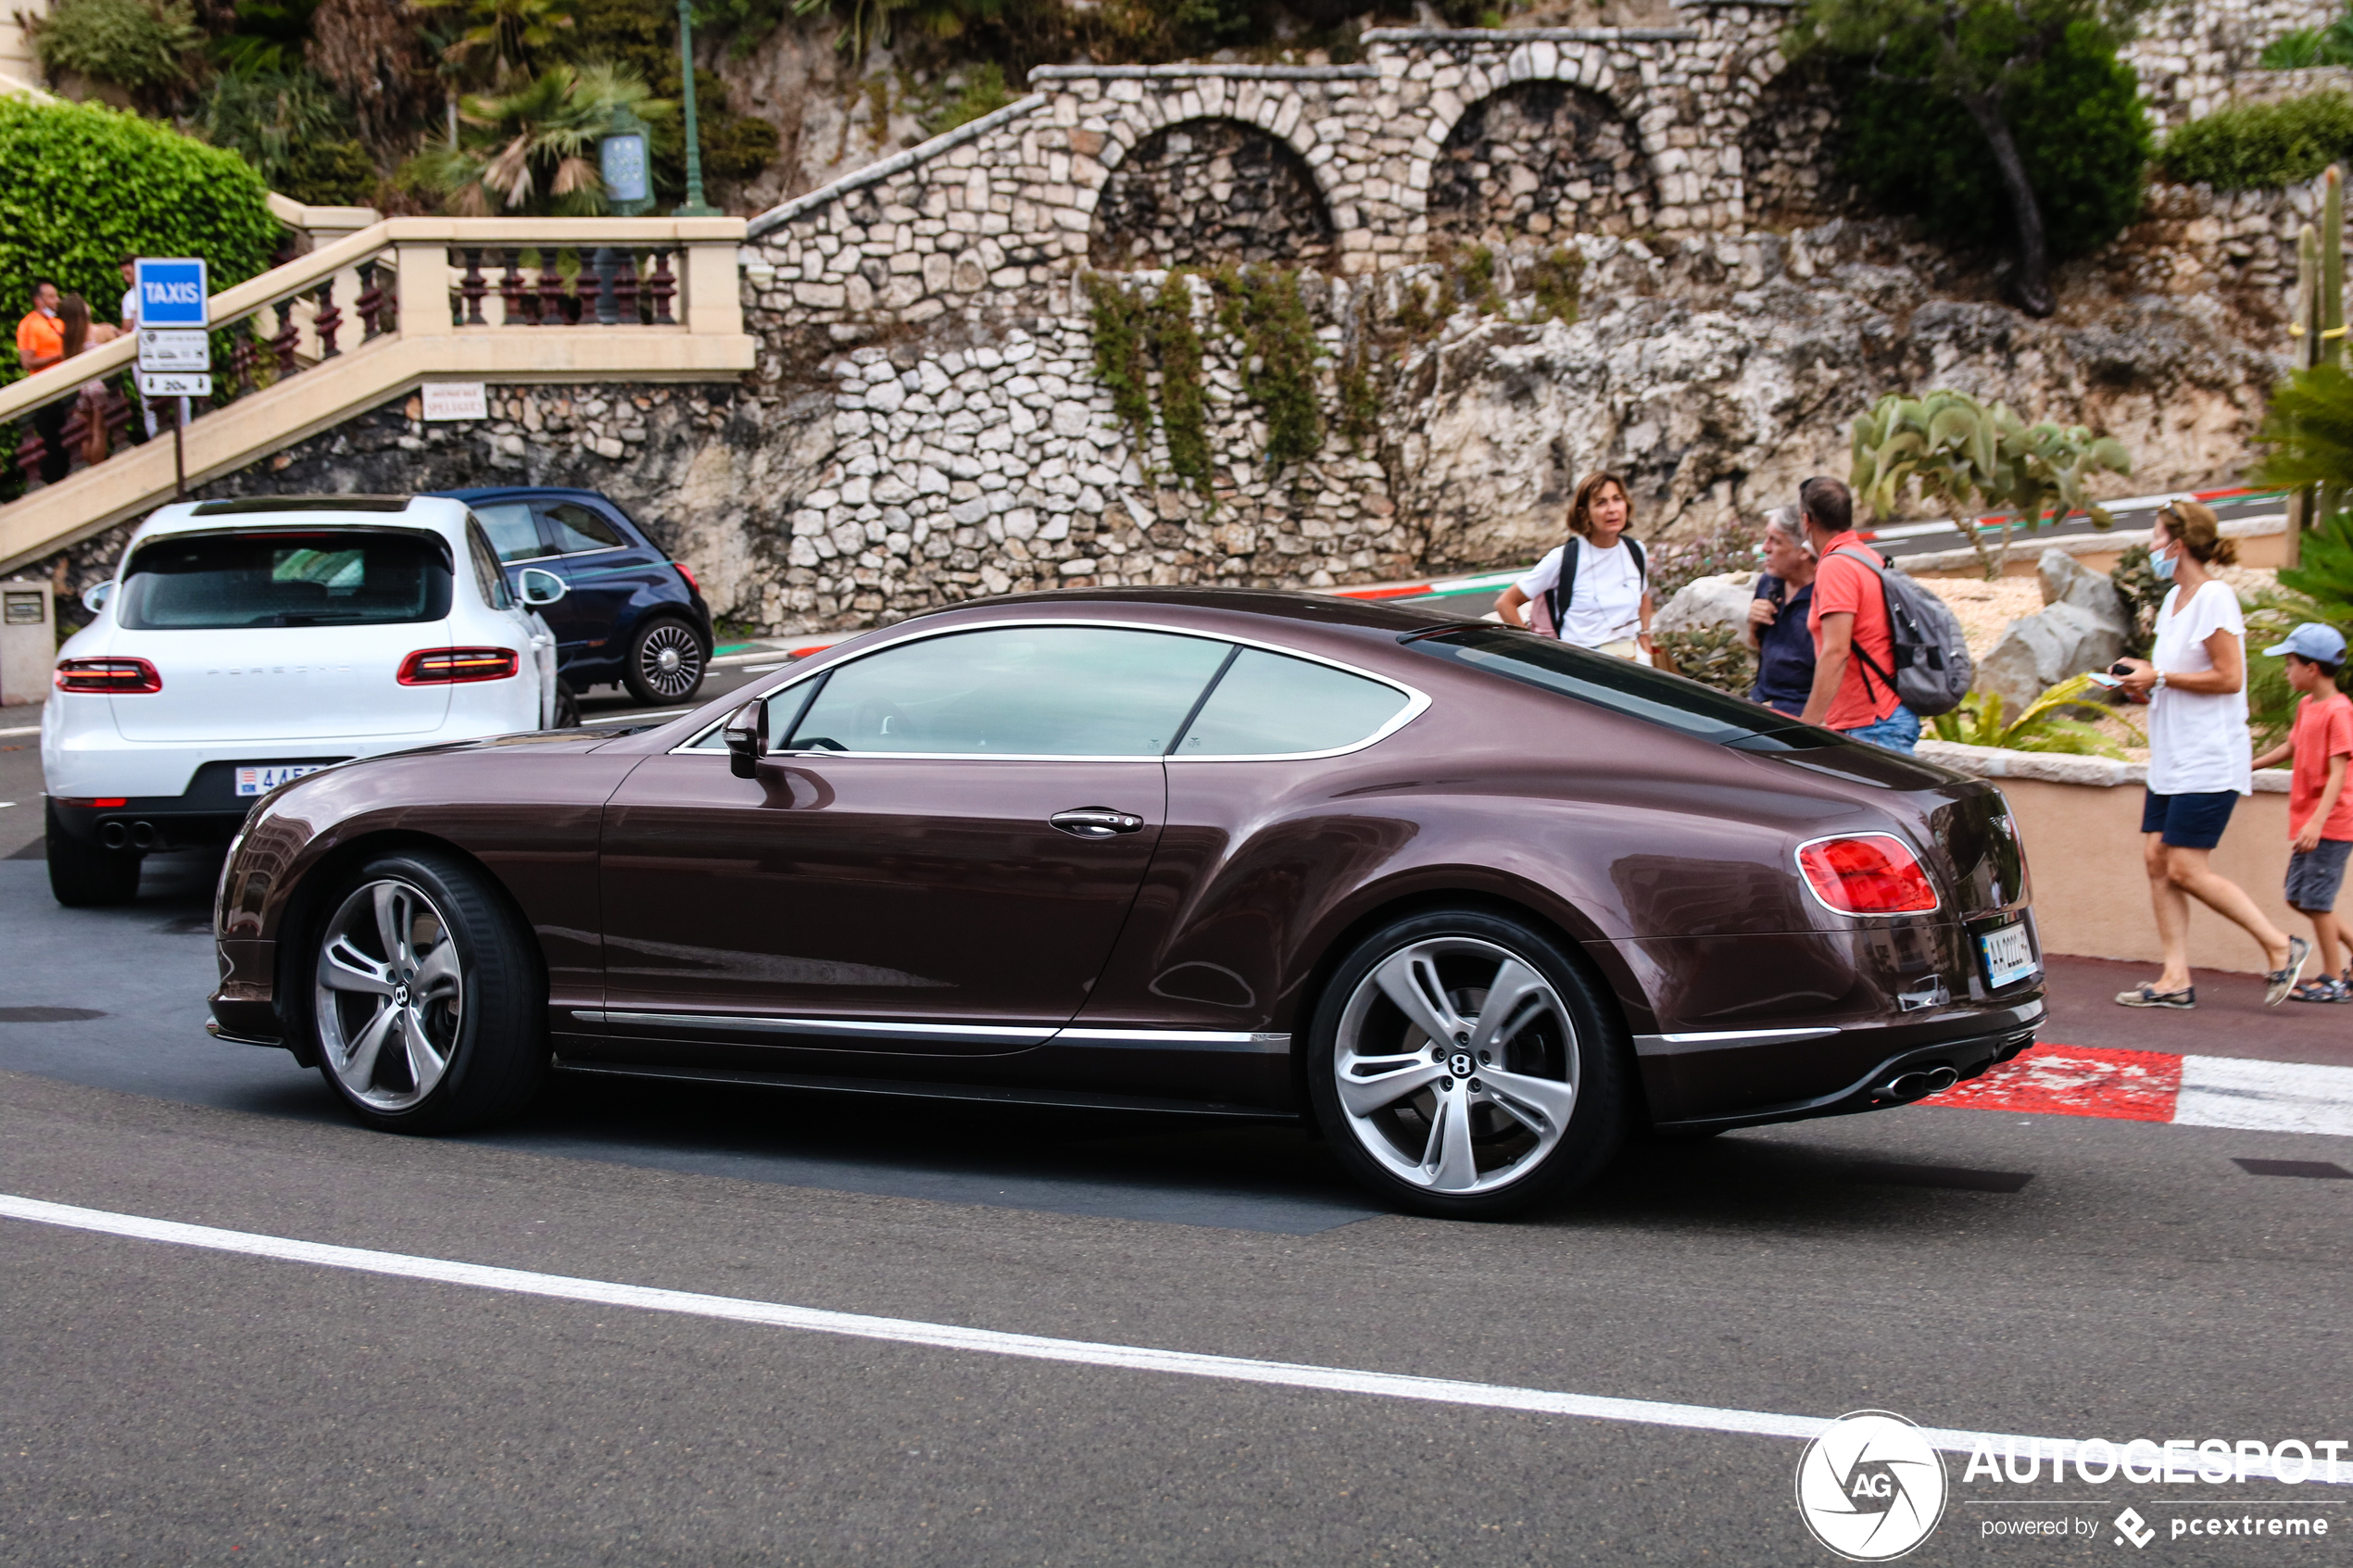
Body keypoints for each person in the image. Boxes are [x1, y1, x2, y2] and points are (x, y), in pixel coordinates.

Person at [2112, 500, 2308, 1009]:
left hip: (2209, 757)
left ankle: (2281, 945)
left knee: (2185, 867)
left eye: (2156, 537)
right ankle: (2175, 978)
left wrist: (2162, 677)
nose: (2151, 546)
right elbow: (2176, 677)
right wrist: (2144, 685)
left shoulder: (2214, 597)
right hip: (2172, 758)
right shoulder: (2176, 598)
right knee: (2156, 858)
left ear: (2177, 544)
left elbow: (2229, 677)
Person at [2251, 622, 2353, 1003]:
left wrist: (2317, 821)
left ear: (2312, 668)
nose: (2285, 671)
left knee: (2316, 902)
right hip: (2314, 823)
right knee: (2297, 896)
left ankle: (2332, 978)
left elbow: (2340, 772)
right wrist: (2249, 766)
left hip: (2332, 823)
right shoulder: (2308, 706)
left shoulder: (2339, 711)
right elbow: (2291, 748)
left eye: (2290, 663)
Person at [1793, 475, 1919, 752]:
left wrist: (1806, 727)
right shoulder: (1868, 558)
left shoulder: (1836, 566)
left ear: (1807, 521)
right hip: (1886, 714)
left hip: (1871, 723)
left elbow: (1836, 651)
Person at [1493, 471, 1655, 660]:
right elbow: (1505, 603)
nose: (1612, 509)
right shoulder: (1563, 558)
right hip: (1583, 665)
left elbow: (1643, 596)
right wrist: (1533, 651)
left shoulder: (1635, 550)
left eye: (1617, 499)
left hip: (1632, 661)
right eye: (1601, 502)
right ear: (1584, 512)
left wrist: (1645, 634)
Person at [1746, 505, 1817, 716]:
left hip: (1801, 710)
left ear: (1803, 551)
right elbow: (1760, 648)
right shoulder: (1770, 583)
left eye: (1775, 541)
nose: (1764, 548)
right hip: (1763, 701)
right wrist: (1753, 624)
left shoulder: (1824, 594)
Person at [15, 280, 69, 483]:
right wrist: (57, 356)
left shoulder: (58, 322)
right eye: (52, 296)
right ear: (39, 300)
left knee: (70, 438)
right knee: (53, 442)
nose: (57, 300)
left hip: (66, 387)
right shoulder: (29, 325)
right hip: (46, 392)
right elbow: (27, 361)